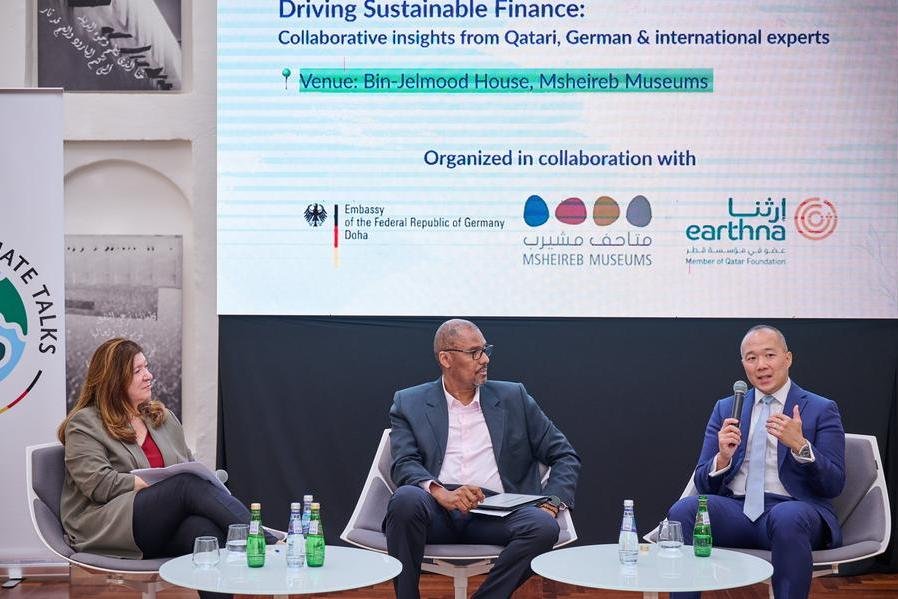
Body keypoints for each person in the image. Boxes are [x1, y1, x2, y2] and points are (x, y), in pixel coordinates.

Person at [385, 319, 581, 599]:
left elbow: (564, 455)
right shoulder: (409, 402)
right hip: (436, 511)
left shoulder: (514, 397)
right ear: (446, 359)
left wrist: (551, 503)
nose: (485, 359)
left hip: (497, 514)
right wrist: (442, 494)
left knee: (544, 527)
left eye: (485, 350)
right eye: (474, 352)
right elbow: (404, 463)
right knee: (405, 499)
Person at [58, 338, 260, 599]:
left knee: (205, 533)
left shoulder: (161, 418)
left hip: (160, 527)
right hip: (108, 525)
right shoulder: (84, 424)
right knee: (184, 485)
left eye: (147, 367)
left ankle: (258, 543)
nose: (148, 375)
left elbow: (188, 465)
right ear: (114, 380)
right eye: (138, 370)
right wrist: (154, 485)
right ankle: (264, 540)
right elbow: (99, 484)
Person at [668, 325, 846, 599]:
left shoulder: (821, 408)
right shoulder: (726, 408)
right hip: (736, 511)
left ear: (787, 358)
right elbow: (703, 483)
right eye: (751, 358)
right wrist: (723, 457)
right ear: (744, 365)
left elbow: (834, 484)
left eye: (769, 355)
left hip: (793, 511)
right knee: (684, 510)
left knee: (788, 517)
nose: (761, 365)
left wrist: (801, 446)